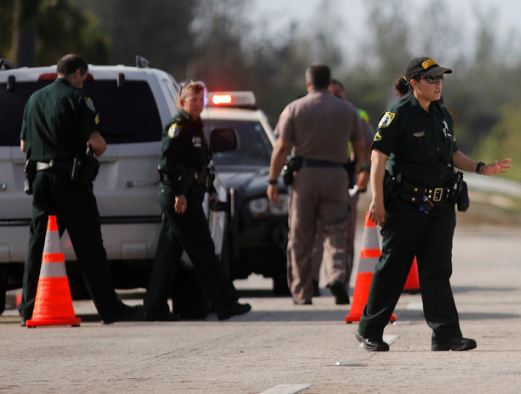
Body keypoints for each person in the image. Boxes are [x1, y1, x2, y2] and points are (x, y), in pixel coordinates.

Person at [355, 57, 512, 351]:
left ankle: (445, 335)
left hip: (440, 207)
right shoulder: (397, 115)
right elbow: (378, 158)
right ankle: (369, 329)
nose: (438, 84)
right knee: (393, 270)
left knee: (437, 271)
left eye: (441, 79)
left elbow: (453, 153)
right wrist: (377, 199)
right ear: (414, 84)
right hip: (404, 206)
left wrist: (482, 167)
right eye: (431, 79)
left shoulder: (441, 114)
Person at [19, 54, 140, 325]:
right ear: (77, 74)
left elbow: (24, 146)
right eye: (83, 78)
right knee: (89, 247)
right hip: (70, 182)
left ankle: (28, 308)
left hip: (40, 181)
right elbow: (97, 144)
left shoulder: (34, 99)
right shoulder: (78, 99)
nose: (83, 83)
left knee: (38, 243)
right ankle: (109, 310)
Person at [143, 80, 251, 321]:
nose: (198, 104)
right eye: (193, 100)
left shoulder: (195, 126)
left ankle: (153, 307)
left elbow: (200, 164)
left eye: (201, 100)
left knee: (168, 254)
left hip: (189, 194)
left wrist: (210, 189)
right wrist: (179, 193)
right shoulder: (178, 126)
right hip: (178, 197)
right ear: (181, 102)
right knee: (203, 249)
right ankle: (226, 304)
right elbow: (166, 163)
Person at [268, 63, 365, 305]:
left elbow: (281, 147)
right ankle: (336, 277)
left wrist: (272, 179)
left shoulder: (295, 108)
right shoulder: (348, 110)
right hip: (337, 175)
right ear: (328, 81)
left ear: (308, 83)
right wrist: (353, 169)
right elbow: (361, 146)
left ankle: (302, 292)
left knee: (301, 236)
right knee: (335, 231)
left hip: (305, 177)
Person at [309, 78, 375, 304]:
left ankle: (340, 284)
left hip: (348, 179)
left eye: (338, 92)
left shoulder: (356, 114)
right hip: (317, 180)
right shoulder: (311, 110)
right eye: (330, 92)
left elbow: (370, 144)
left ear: (345, 94)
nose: (334, 95)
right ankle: (310, 283)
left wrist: (365, 170)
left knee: (344, 234)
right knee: (315, 235)